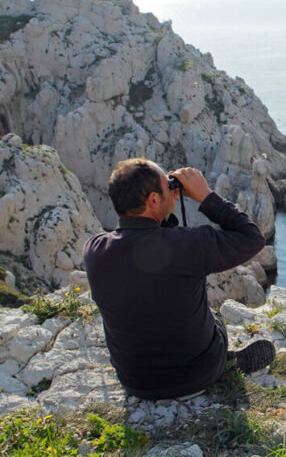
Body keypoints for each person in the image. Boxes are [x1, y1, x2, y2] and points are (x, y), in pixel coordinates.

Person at [83, 158, 275, 400]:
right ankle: (228, 363)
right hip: (196, 378)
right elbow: (252, 238)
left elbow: (149, 247)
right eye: (168, 187)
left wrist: (164, 208)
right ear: (153, 200)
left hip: (135, 383)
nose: (173, 191)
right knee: (214, 316)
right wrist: (206, 196)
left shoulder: (94, 250)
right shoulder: (188, 244)